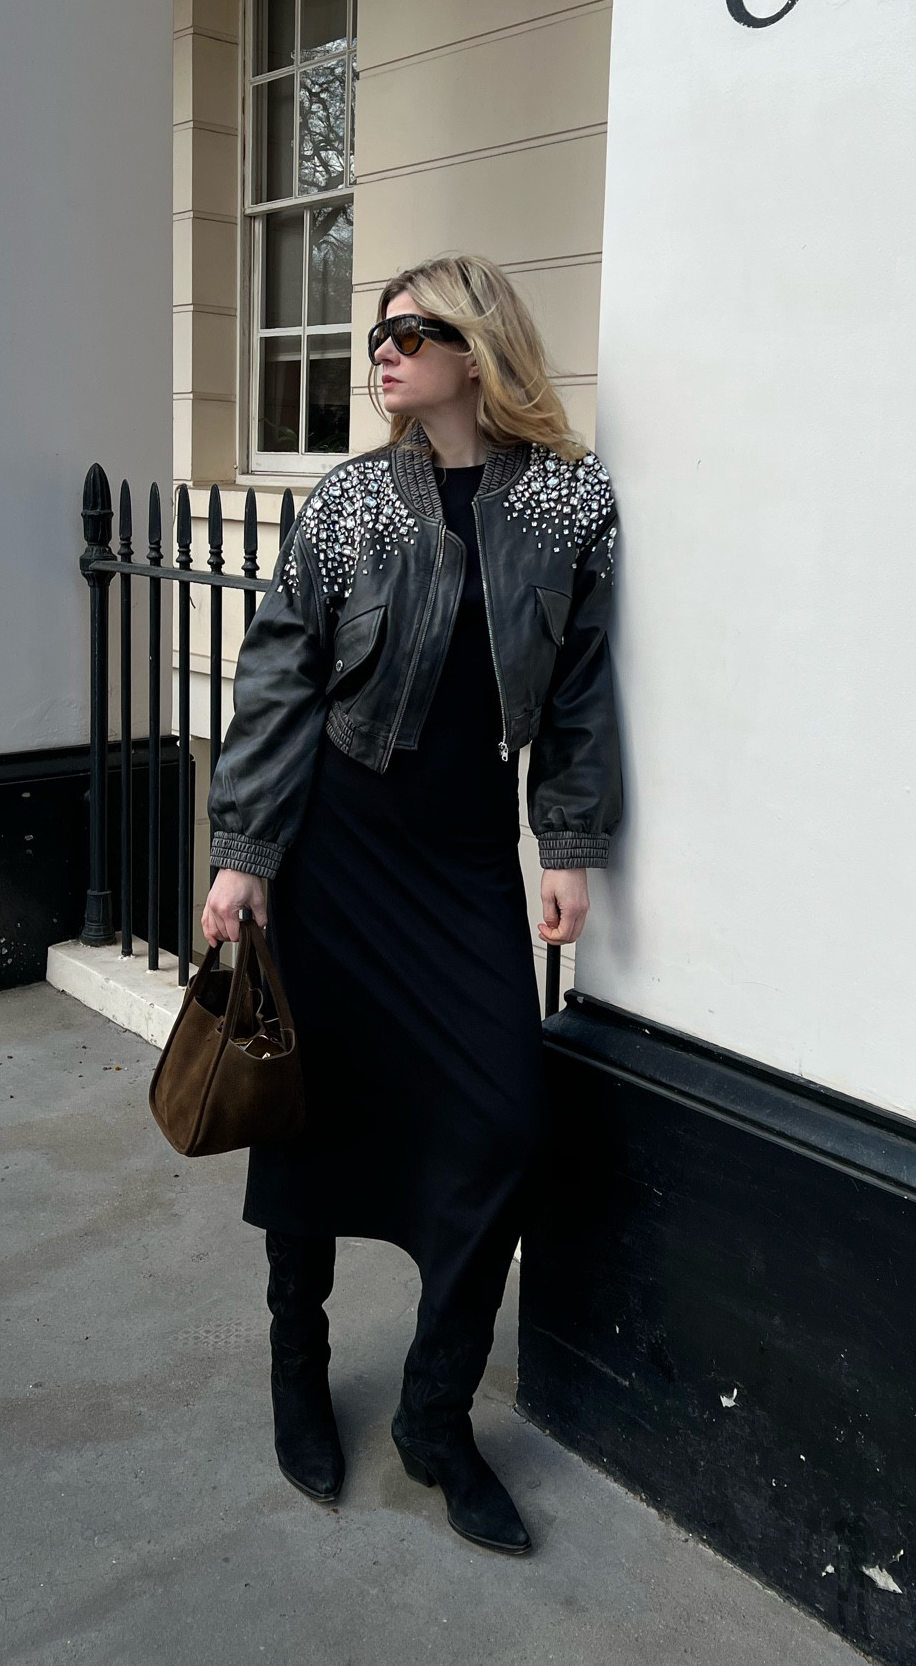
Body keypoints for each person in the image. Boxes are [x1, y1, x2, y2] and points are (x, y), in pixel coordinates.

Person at [202, 252, 621, 1555]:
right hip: (334, 849)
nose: (382, 351)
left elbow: (582, 688)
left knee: (501, 1123)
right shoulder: (344, 507)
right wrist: (245, 852)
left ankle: (436, 1418)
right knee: (311, 1117)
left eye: (410, 330)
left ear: (479, 345)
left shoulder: (568, 506)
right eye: (374, 333)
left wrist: (566, 838)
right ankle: (298, 1365)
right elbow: (279, 682)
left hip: (457, 864)